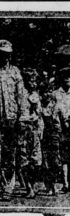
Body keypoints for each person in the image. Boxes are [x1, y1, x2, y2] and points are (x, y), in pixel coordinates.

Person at [0, 40, 26, 200]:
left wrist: (21, 119)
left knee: (9, 156)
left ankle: (8, 188)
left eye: (7, 54)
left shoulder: (15, 72)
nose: (5, 57)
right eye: (2, 54)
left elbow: (21, 97)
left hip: (11, 120)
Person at [17, 68, 43, 198]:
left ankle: (31, 184)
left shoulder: (35, 94)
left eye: (35, 80)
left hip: (34, 128)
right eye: (31, 80)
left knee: (36, 161)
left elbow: (39, 110)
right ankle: (29, 187)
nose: (33, 83)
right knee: (24, 159)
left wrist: (37, 116)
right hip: (23, 127)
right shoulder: (20, 92)